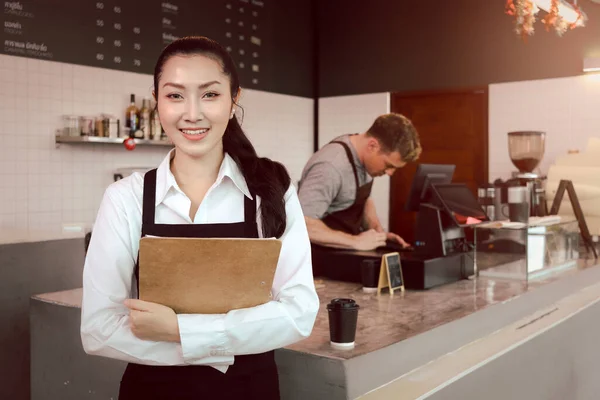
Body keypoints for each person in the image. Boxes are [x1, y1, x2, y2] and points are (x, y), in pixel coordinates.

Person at [80, 36, 319, 400]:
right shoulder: (126, 199)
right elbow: (98, 329)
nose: (192, 113)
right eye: (175, 95)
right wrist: (227, 345)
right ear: (157, 101)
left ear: (234, 98)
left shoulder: (271, 191)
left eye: (210, 94)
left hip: (249, 390)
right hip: (152, 392)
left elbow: (299, 313)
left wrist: (178, 330)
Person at [298, 113, 422, 272]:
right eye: (388, 165)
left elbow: (362, 198)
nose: (390, 173)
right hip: (318, 267)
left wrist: (378, 234)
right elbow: (303, 224)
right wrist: (354, 241)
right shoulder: (330, 167)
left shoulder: (365, 160)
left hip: (342, 257)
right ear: (372, 146)